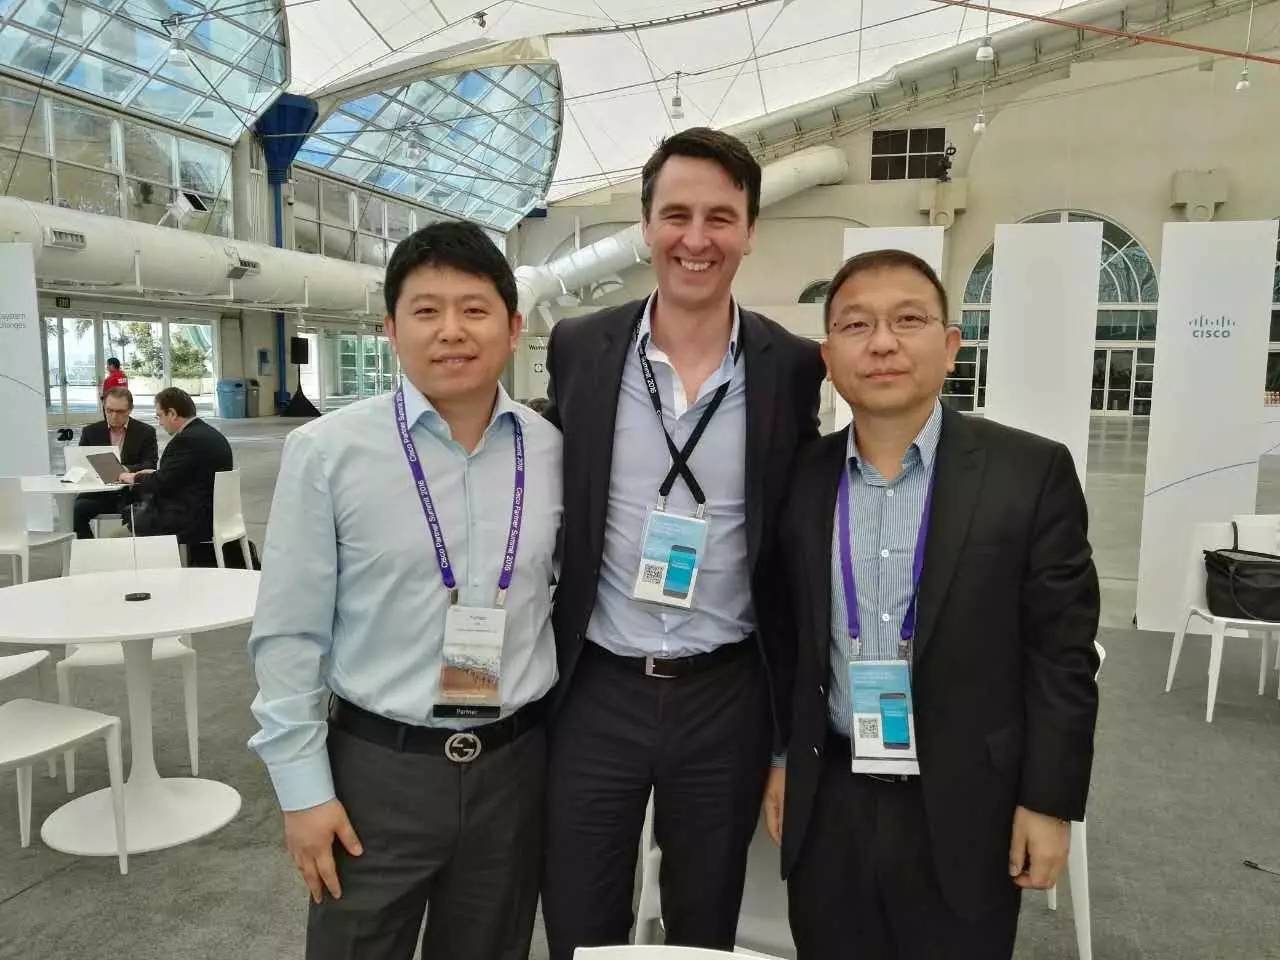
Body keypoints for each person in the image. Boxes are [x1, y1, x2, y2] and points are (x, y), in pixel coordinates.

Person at [540, 127, 825, 957]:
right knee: (579, 914)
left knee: (705, 920)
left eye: (719, 218)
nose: (696, 239)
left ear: (750, 230)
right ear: (645, 224)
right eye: (676, 215)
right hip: (596, 684)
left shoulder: (790, 365)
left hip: (725, 692)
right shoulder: (580, 348)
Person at [772, 249, 1100, 959]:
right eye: (856, 325)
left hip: (969, 801)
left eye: (908, 320)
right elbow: (785, 636)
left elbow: (1062, 656)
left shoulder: (1028, 471)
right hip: (831, 796)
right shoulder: (800, 478)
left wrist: (1048, 801)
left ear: (950, 346)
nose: (882, 343)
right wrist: (779, 758)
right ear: (829, 357)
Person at [248, 221, 562, 960]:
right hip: (376, 775)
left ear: (514, 327)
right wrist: (303, 791)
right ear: (390, 329)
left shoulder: (551, 450)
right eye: (426, 311)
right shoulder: (327, 452)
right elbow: (290, 634)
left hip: (513, 772)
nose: (451, 331)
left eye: (474, 309)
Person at [118, 387, 233, 543]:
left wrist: (134, 478)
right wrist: (154, 474)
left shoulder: (185, 440)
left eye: (160, 416)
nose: (160, 423)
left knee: (129, 517)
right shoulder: (209, 434)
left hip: (192, 517)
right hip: (214, 512)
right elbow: (184, 475)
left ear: (172, 413)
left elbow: (162, 484)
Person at [73, 386, 158, 539]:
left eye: (120, 412)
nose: (113, 416)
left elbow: (150, 464)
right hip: (100, 493)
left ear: (130, 410)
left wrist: (125, 470)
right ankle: (90, 549)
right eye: (109, 410)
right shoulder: (91, 432)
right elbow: (81, 463)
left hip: (131, 493)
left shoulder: (145, 432)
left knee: (148, 510)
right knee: (78, 508)